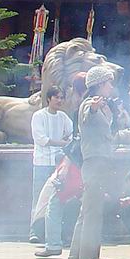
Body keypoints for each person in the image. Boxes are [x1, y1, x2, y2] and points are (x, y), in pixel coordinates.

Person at [68, 65, 118, 259]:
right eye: (109, 83)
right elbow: (89, 115)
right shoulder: (90, 104)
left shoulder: (102, 104)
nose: (111, 87)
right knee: (93, 213)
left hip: (95, 163)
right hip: (96, 162)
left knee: (87, 211)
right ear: (100, 84)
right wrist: (96, 108)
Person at [30, 87, 72, 250]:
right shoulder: (38, 116)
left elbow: (71, 133)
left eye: (61, 97)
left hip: (58, 163)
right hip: (41, 162)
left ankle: (54, 233)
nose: (59, 101)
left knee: (57, 199)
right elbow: (41, 139)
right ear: (48, 99)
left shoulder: (63, 117)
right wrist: (62, 142)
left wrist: (64, 142)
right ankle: (34, 231)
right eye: (56, 97)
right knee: (38, 197)